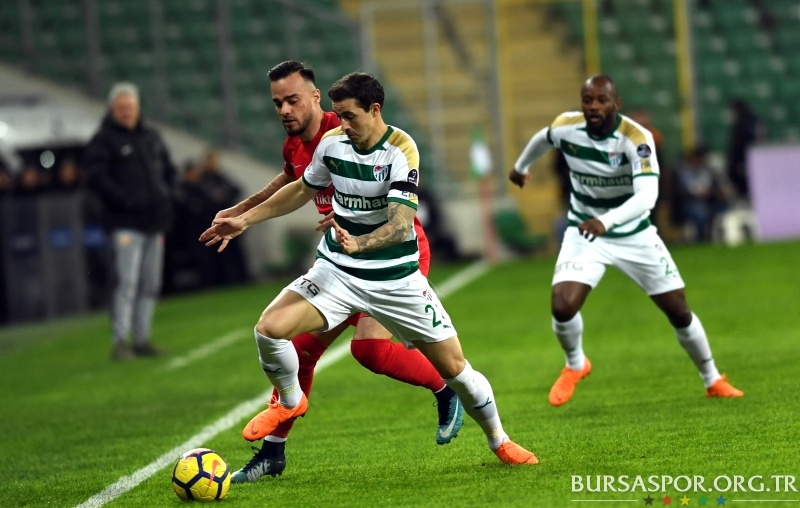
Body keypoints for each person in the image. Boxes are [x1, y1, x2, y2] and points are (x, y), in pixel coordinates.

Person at [201, 70, 537, 469]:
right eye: (339, 116)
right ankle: (289, 403)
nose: (342, 124)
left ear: (374, 110)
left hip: (394, 278)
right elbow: (301, 188)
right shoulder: (332, 143)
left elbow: (400, 224)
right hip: (338, 272)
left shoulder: (400, 150)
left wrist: (358, 241)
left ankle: (499, 440)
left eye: (349, 116)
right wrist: (244, 218)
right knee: (269, 329)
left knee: (455, 369)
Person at [508, 75, 743, 406]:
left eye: (601, 100)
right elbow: (543, 138)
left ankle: (712, 378)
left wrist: (606, 221)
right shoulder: (567, 127)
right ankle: (575, 364)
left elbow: (647, 196)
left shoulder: (636, 139)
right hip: (584, 231)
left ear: (615, 104)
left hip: (634, 234)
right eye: (587, 100)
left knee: (678, 310)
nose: (593, 106)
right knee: (562, 305)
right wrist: (521, 167)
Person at [84, 82, 177, 361]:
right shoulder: (103, 141)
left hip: (154, 221)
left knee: (150, 283)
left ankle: (141, 339)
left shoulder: (150, 136)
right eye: (121, 108)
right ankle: (120, 341)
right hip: (125, 223)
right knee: (126, 282)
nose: (127, 112)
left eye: (130, 107)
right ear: (112, 109)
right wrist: (125, 200)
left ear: (138, 108)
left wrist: (167, 195)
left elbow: (168, 169)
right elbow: (96, 178)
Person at [673, 147, 732, 243]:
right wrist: (699, 193)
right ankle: (701, 239)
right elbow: (683, 191)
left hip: (708, 201)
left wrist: (715, 192)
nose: (700, 161)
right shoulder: (683, 171)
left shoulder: (706, 169)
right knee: (700, 213)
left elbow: (715, 186)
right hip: (689, 202)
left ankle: (715, 237)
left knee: (721, 208)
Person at [726, 99, 764, 201]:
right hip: (753, 161)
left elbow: (738, 147)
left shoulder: (744, 124)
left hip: (746, 160)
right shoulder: (754, 121)